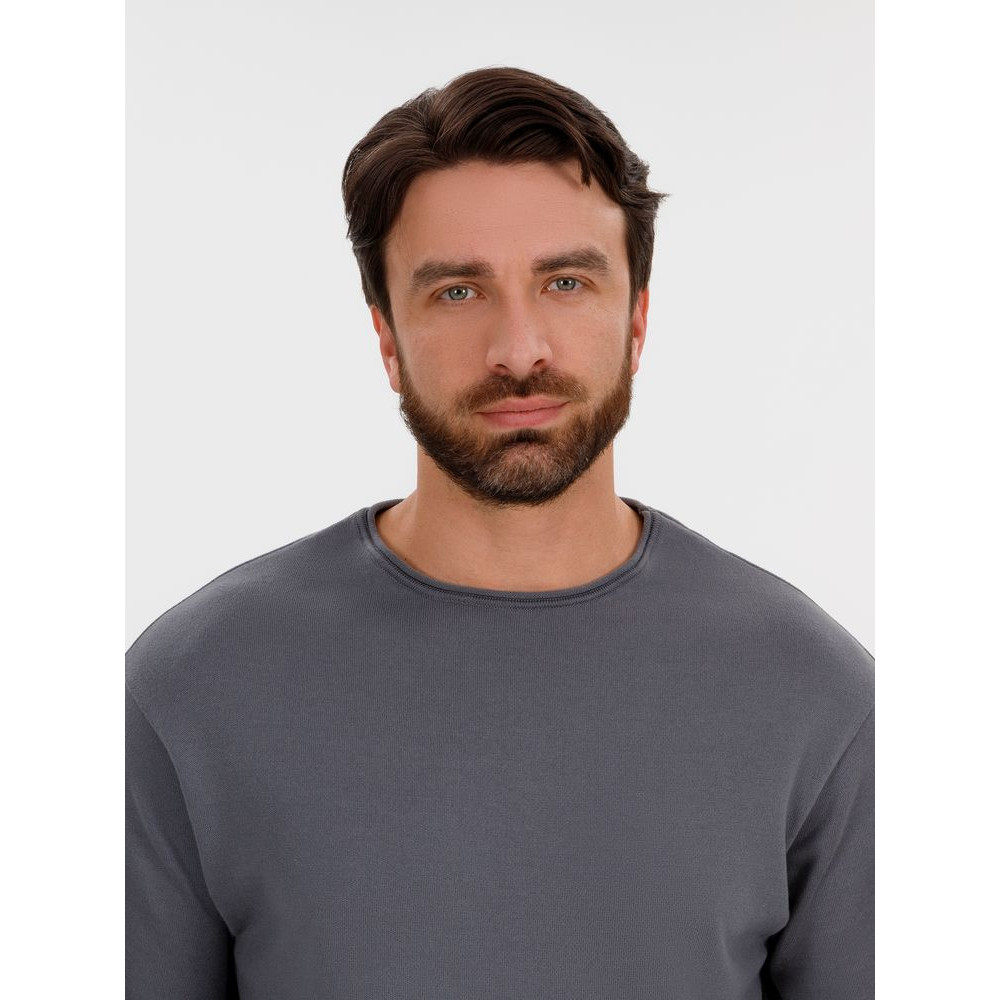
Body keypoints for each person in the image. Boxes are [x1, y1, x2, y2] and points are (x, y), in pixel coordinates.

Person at [126, 66, 874, 999]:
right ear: (386, 336)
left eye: (566, 281)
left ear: (637, 319)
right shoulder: (194, 688)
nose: (520, 349)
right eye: (457, 292)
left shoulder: (812, 694)